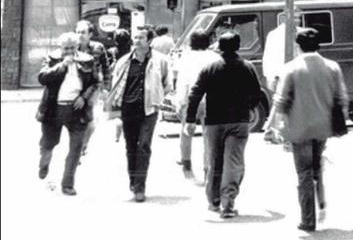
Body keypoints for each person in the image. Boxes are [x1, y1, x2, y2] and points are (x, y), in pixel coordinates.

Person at [265, 27, 349, 232]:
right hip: (324, 127)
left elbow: (281, 100)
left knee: (303, 173)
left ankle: (308, 219)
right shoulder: (333, 67)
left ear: (298, 45)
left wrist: (271, 125)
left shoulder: (291, 68)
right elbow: (341, 98)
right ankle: (321, 202)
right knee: (316, 166)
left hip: (299, 128)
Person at [186, 31, 262, 219]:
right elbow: (257, 92)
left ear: (219, 47)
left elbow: (195, 94)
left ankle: (213, 201)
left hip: (214, 122)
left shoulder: (210, 68)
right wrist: (251, 108)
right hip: (239, 120)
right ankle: (228, 203)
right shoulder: (248, 67)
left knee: (215, 161)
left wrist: (189, 119)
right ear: (238, 46)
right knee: (234, 162)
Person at [106, 25, 172, 202]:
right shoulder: (124, 61)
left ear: (149, 40)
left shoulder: (160, 61)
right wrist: (117, 111)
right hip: (128, 109)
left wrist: (157, 98)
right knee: (130, 147)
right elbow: (115, 86)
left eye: (141, 38)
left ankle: (140, 186)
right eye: (135, 37)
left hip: (149, 110)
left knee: (143, 145)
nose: (136, 41)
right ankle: (133, 181)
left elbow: (167, 84)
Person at [37, 32, 101, 196]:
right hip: (54, 109)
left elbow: (95, 82)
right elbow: (43, 78)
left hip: (76, 109)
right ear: (60, 48)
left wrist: (84, 98)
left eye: (72, 48)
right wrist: (62, 65)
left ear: (77, 47)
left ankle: (68, 183)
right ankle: (44, 163)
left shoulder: (87, 60)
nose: (69, 52)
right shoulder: (52, 59)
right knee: (48, 144)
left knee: (76, 148)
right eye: (66, 48)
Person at [173, 32, 219, 183]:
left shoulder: (186, 57)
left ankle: (186, 165)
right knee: (208, 136)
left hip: (189, 99)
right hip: (211, 100)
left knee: (186, 132)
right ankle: (207, 168)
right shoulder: (215, 57)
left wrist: (179, 102)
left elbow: (181, 81)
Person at [75, 19, 111, 158]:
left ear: (90, 34)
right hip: (76, 89)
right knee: (77, 121)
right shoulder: (72, 48)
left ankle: (83, 145)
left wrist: (106, 88)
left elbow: (106, 69)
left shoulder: (98, 48)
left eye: (83, 32)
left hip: (94, 89)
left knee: (92, 121)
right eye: (78, 32)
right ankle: (76, 147)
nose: (80, 35)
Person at [262, 11, 301, 94]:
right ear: (285, 18)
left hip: (300, 77)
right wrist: (271, 78)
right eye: (294, 17)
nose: (297, 20)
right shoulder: (274, 35)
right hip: (280, 77)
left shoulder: (302, 33)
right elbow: (268, 57)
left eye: (298, 17)